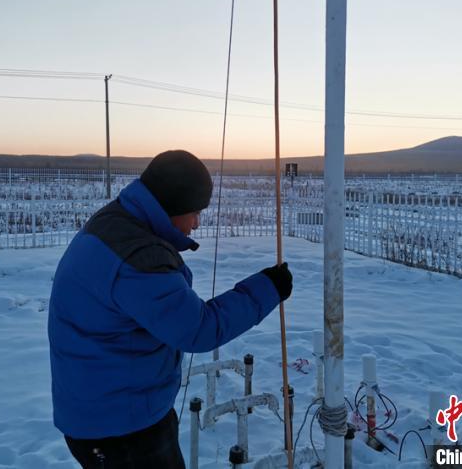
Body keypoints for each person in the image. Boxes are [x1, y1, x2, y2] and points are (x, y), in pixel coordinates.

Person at [48, 150, 293, 469]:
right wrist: (268, 288)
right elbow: (198, 329)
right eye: (194, 212)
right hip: (121, 427)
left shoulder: (117, 222)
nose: (196, 223)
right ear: (172, 205)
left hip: (100, 405)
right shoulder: (138, 257)